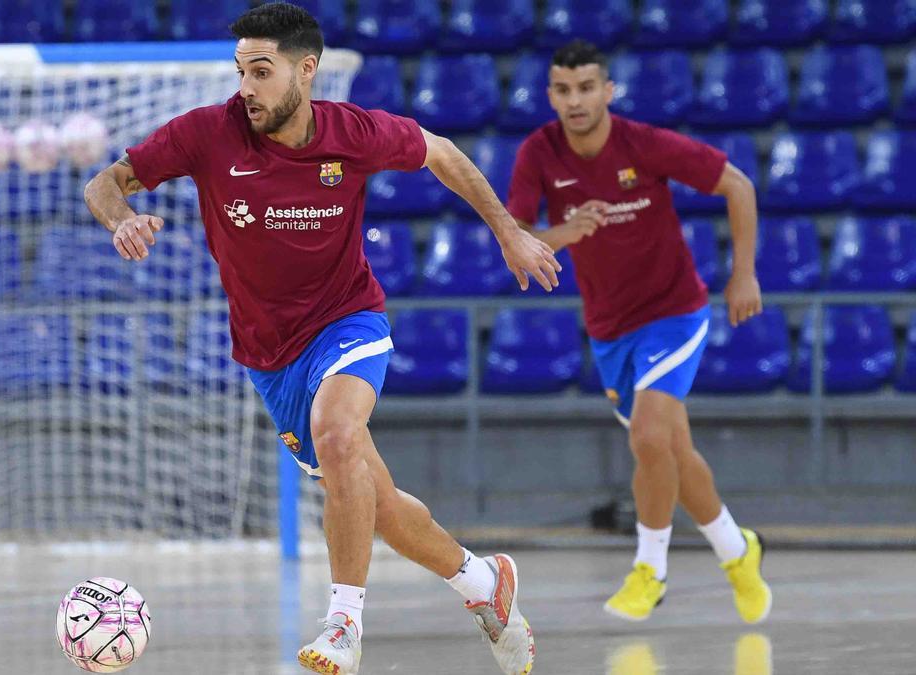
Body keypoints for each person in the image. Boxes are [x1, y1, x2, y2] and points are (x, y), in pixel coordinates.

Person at [84, 4, 560, 673]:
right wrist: (121, 220)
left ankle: (343, 623)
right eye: (241, 71)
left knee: (338, 434)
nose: (246, 86)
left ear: (306, 71)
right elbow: (105, 182)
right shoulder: (206, 134)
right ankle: (484, 583)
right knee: (378, 502)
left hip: (349, 319)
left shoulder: (353, 133)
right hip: (269, 353)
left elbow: (444, 154)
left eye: (262, 71)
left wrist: (509, 231)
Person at [504, 40, 772, 624]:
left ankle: (649, 569)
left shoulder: (643, 144)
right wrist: (566, 232)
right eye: (563, 90)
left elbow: (739, 187)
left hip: (675, 312)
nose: (575, 100)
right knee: (671, 448)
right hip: (609, 330)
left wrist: (744, 273)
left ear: (607, 91)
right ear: (551, 95)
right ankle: (736, 549)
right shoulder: (539, 153)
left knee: (650, 437)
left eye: (586, 88)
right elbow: (516, 240)